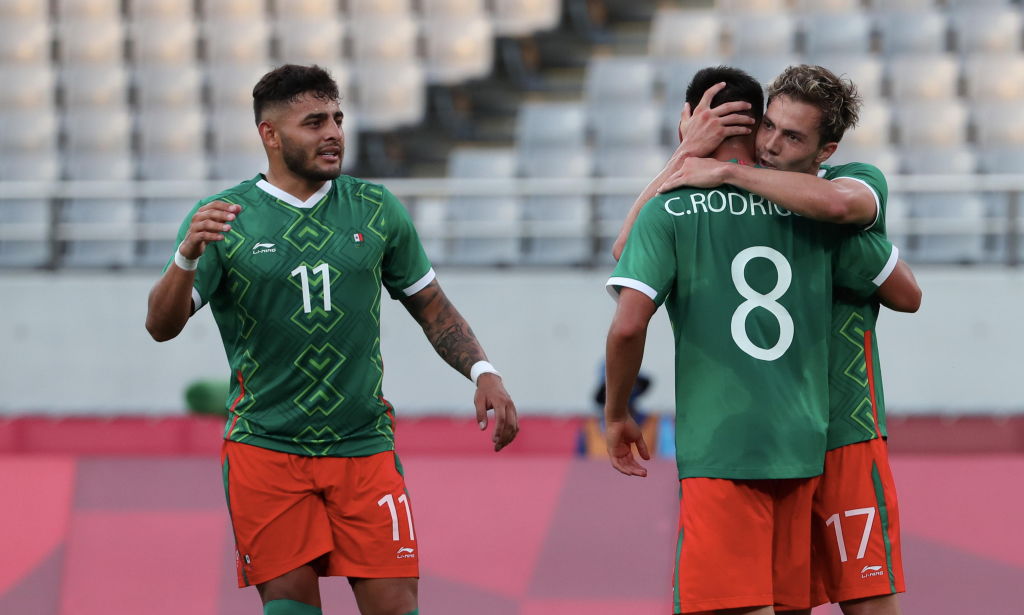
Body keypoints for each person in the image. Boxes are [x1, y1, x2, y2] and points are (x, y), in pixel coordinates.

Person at [145, 64, 519, 615]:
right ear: (269, 135)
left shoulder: (375, 209)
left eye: (338, 118)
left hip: (363, 446)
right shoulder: (224, 219)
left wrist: (484, 371)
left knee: (397, 606)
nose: (333, 133)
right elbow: (161, 325)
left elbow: (432, 306)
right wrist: (185, 258)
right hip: (267, 449)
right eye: (314, 121)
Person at [603, 66, 905, 615]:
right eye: (769, 127)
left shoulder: (838, 192)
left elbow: (627, 282)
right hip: (804, 437)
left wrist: (708, 166)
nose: (772, 144)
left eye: (792, 136)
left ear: (825, 149)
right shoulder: (810, 212)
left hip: (771, 437)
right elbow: (903, 291)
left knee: (859, 602)